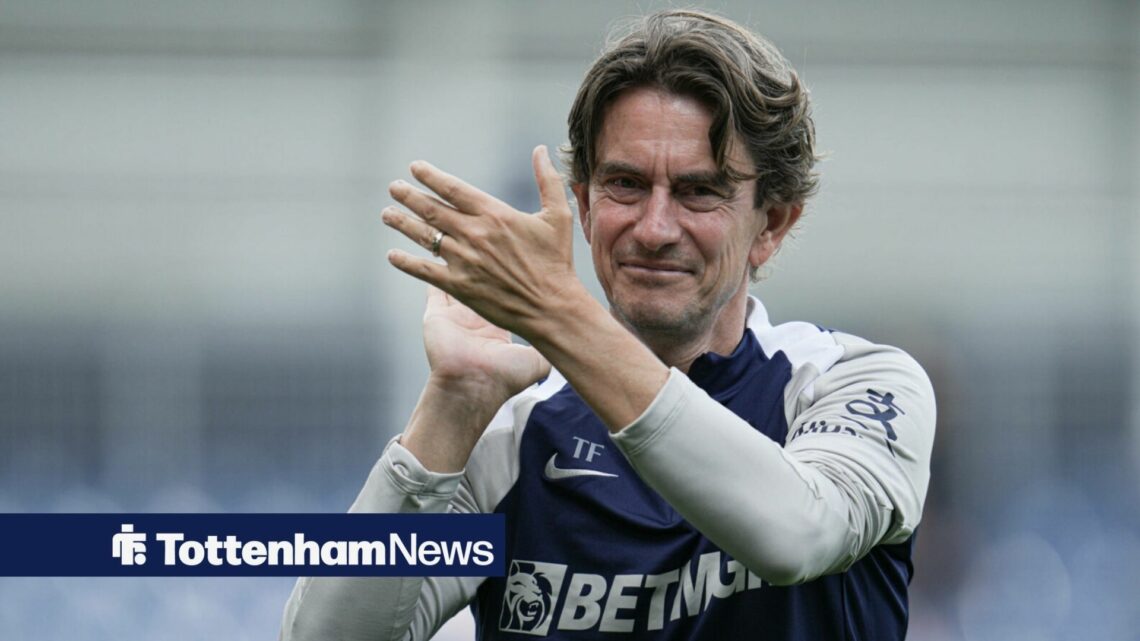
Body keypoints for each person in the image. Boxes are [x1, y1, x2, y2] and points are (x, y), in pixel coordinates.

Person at [281, 9, 935, 640]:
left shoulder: (854, 385)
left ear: (771, 224)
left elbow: (795, 534)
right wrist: (456, 400)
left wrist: (556, 312)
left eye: (698, 191)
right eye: (625, 184)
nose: (654, 228)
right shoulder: (511, 442)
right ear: (586, 206)